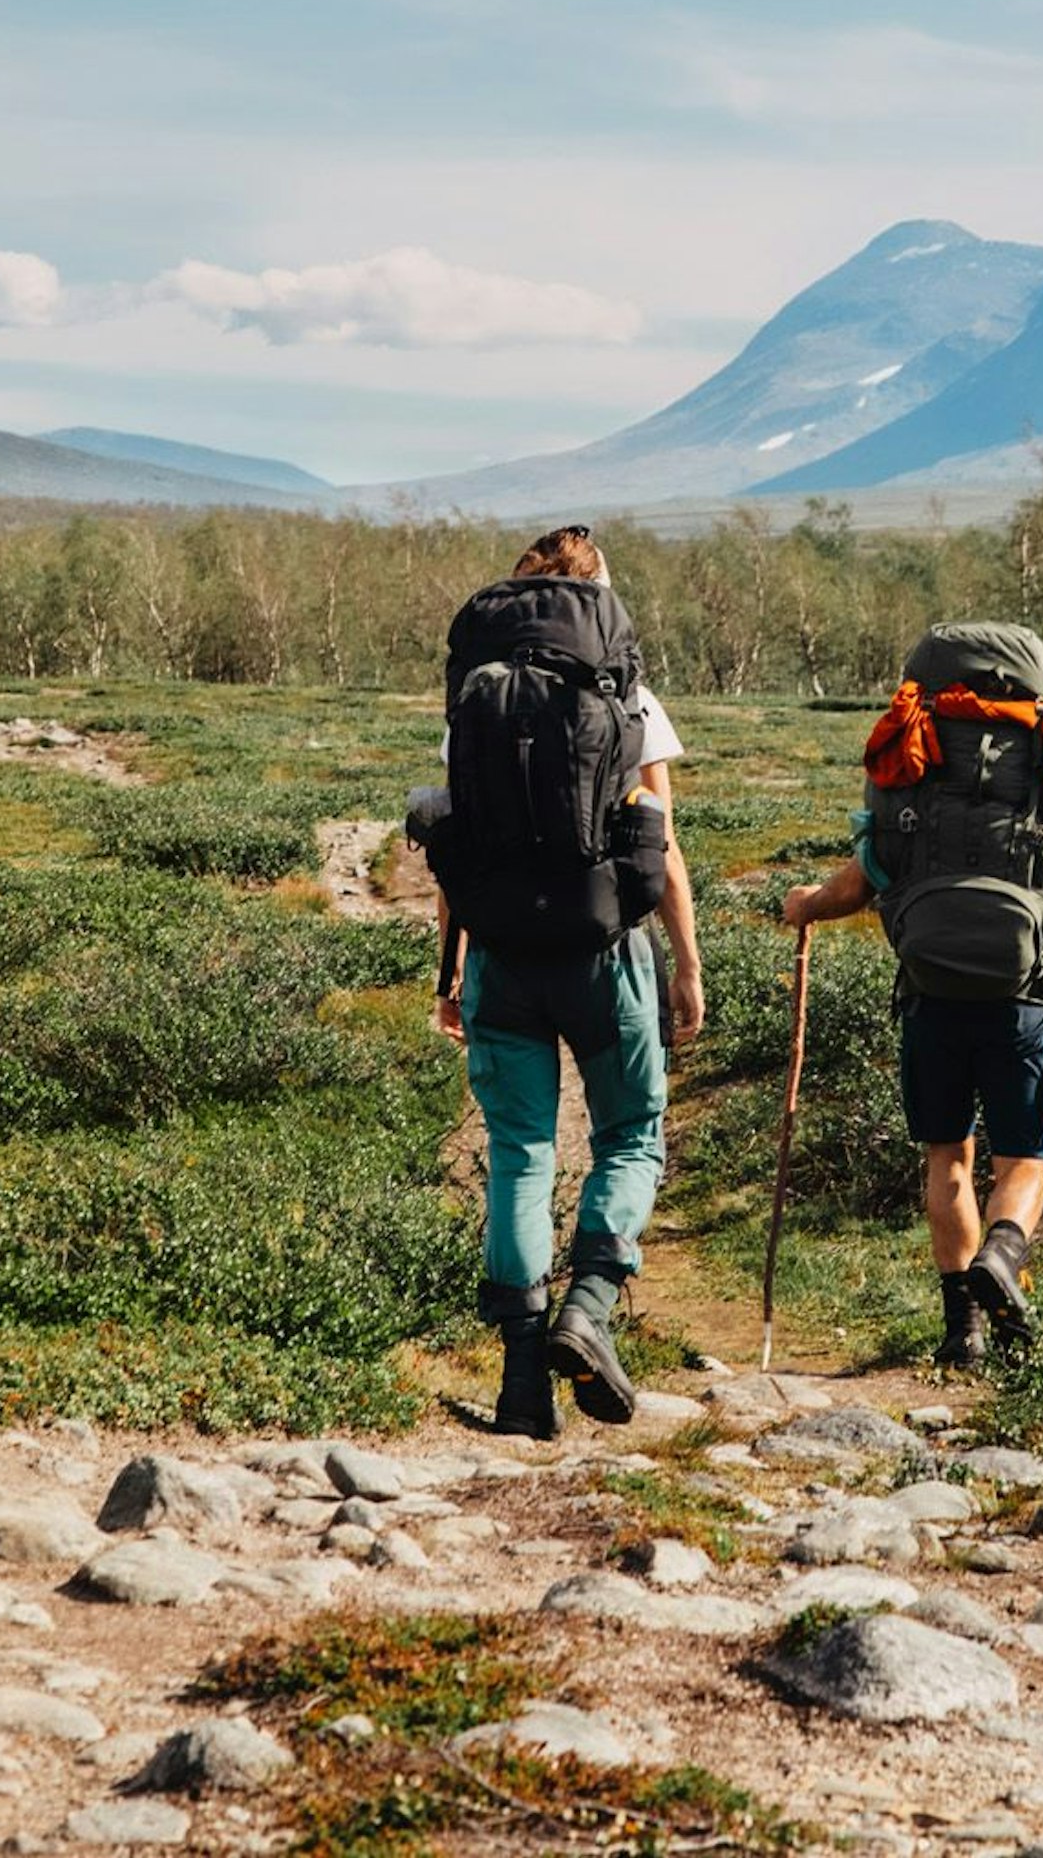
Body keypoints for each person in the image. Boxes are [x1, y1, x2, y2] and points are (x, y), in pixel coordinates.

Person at [419, 526, 707, 1441]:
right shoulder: (628, 693)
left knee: (519, 1153)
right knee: (631, 1135)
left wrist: (451, 964)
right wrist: (687, 968)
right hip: (603, 949)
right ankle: (587, 1310)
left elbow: (457, 843)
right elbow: (661, 839)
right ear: (598, 597)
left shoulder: (475, 696)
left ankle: (519, 1386)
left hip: (500, 951)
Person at [781, 620, 1043, 1370]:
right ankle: (1004, 1252)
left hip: (929, 991)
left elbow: (863, 881)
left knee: (947, 1160)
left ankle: (961, 1332)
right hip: (1019, 992)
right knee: (1023, 1162)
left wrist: (804, 905)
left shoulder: (909, 745)